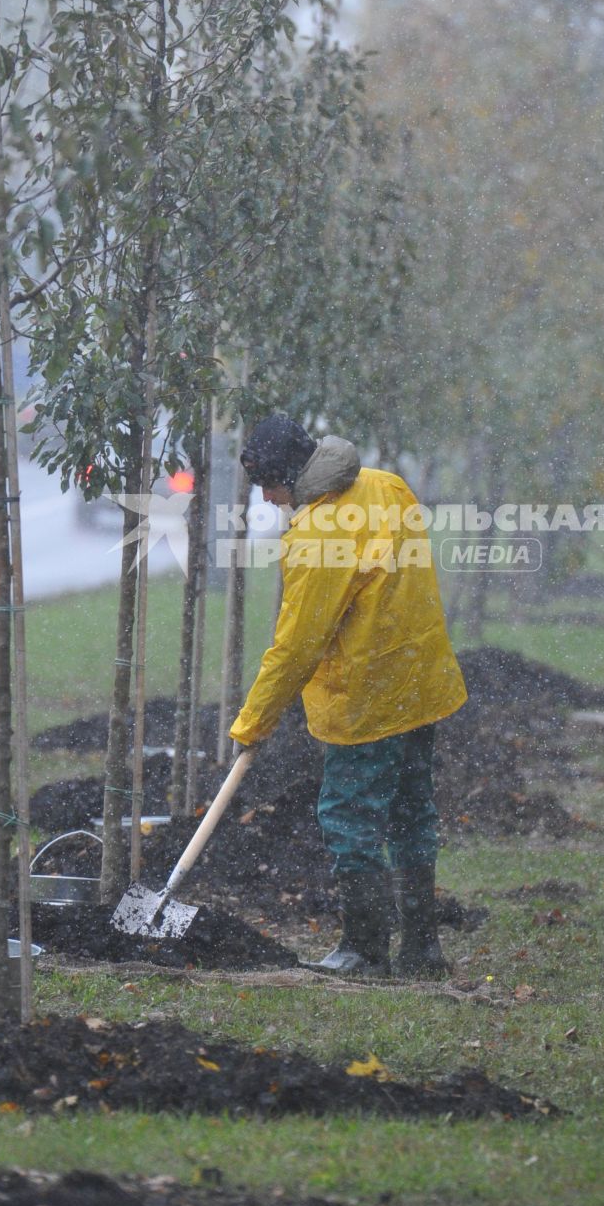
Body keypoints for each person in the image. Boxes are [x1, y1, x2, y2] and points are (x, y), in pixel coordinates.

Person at [229, 413, 467, 977]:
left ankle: (363, 949)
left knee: (350, 819)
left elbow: (295, 648)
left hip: (366, 700)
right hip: (420, 682)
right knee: (413, 814)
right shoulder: (387, 486)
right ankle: (421, 949)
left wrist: (251, 724)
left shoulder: (316, 536)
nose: (267, 496)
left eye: (268, 483)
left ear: (291, 471)